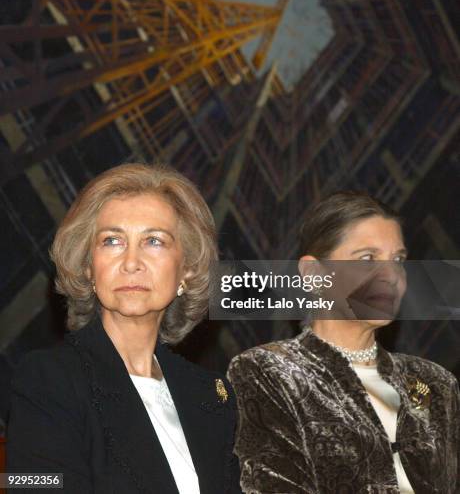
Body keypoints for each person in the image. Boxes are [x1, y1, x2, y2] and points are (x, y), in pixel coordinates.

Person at [7, 163, 241, 494]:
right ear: (90, 268)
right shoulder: (48, 379)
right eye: (113, 240)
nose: (131, 262)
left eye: (154, 241)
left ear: (186, 271)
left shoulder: (211, 394)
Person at [227, 191, 459, 493]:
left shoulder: (436, 383)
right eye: (367, 258)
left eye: (398, 259)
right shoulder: (267, 373)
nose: (391, 274)